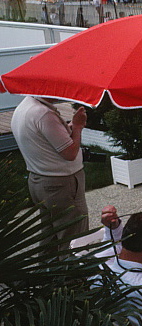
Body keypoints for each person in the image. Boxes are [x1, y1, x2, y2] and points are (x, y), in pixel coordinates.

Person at [10, 97, 89, 250]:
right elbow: (70, 153)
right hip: (61, 185)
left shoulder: (25, 106)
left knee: (50, 237)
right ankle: (73, 274)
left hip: (39, 181)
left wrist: (69, 127)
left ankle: (46, 271)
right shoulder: (44, 114)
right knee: (73, 239)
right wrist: (78, 127)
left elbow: (46, 138)